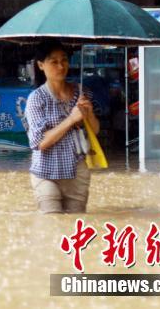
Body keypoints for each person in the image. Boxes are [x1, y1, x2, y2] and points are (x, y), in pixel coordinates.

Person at [24, 40, 100, 214]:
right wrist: (71, 119)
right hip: (45, 173)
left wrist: (88, 114)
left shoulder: (82, 93)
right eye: (54, 61)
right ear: (41, 65)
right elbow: (39, 143)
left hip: (77, 173)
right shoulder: (36, 99)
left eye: (64, 60)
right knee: (52, 223)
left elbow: (94, 131)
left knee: (74, 227)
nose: (61, 66)